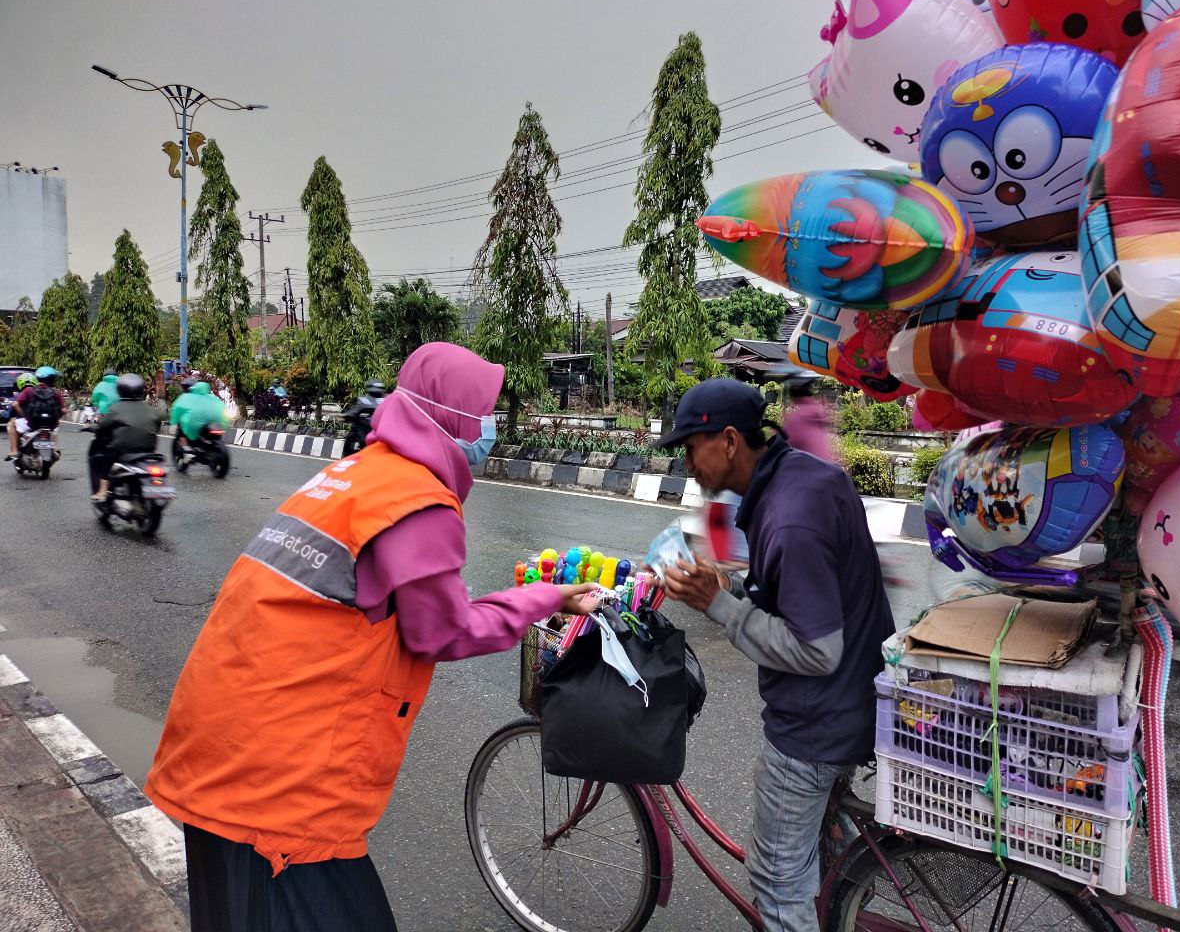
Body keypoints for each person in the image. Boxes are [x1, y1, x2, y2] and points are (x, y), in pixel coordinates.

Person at [144, 342, 598, 932]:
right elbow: (446, 630)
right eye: (483, 412)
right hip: (275, 790)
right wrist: (548, 596)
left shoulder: (359, 473)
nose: (490, 427)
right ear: (451, 415)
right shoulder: (417, 499)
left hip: (224, 747)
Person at [656, 378, 894, 932]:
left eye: (692, 448)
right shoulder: (804, 478)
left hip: (817, 726)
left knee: (777, 880)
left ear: (730, 441)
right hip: (854, 699)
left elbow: (815, 651)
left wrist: (721, 607)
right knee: (819, 857)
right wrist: (735, 591)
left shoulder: (789, 516)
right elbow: (793, 598)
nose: (689, 464)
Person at [90, 373, 163, 501]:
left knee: (106, 459)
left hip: (122, 451)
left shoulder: (115, 408)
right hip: (148, 451)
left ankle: (102, 492)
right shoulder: (151, 409)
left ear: (120, 390)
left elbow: (103, 428)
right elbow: (157, 426)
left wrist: (96, 430)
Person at [6, 367, 63, 460]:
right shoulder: (56, 393)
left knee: (12, 424)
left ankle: (15, 451)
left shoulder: (29, 390)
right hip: (51, 424)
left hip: (32, 423)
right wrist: (55, 418)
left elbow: (15, 404)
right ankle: (53, 450)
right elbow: (64, 410)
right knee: (56, 427)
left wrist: (25, 415)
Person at [780, 371, 836, 463]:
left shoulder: (799, 418)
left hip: (810, 473)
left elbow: (780, 446)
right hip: (827, 471)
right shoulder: (815, 411)